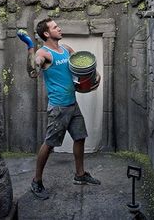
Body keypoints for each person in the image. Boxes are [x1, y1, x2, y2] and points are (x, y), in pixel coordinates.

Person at [28, 18, 101, 200]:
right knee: (50, 143)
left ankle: (80, 174)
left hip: (72, 103)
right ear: (46, 33)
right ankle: (36, 181)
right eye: (55, 27)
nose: (59, 28)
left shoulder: (66, 49)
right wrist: (31, 49)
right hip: (58, 107)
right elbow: (32, 69)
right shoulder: (44, 53)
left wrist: (94, 75)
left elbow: (80, 66)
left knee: (80, 138)